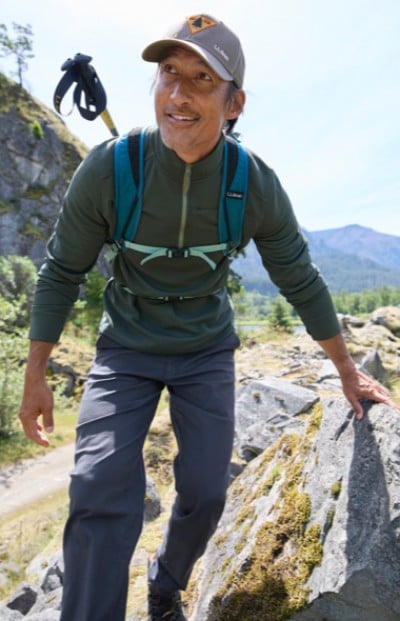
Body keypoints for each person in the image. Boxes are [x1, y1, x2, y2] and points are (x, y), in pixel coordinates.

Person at [18, 13, 398, 621]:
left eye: (201, 79)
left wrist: (348, 371)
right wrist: (37, 374)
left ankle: (167, 577)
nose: (178, 94)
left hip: (205, 350)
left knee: (204, 491)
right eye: (169, 74)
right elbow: (61, 271)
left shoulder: (253, 185)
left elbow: (301, 280)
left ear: (234, 103)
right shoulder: (111, 170)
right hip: (126, 349)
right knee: (98, 491)